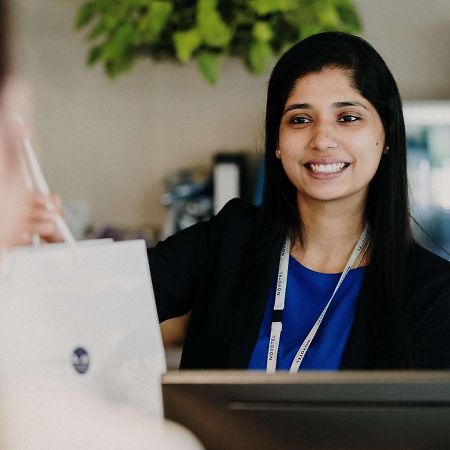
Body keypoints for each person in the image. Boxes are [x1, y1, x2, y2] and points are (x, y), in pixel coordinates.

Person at [148, 32, 450, 371]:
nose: (322, 139)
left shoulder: (433, 293)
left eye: (348, 117)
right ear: (277, 140)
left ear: (386, 135)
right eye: (300, 119)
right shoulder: (229, 240)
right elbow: (104, 295)